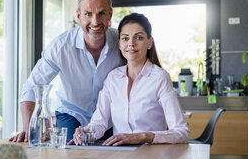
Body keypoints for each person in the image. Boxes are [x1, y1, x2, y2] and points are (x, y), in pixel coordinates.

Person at [10, 0, 123, 141]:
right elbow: (32, 87)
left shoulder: (122, 43)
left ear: (110, 14)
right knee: (70, 154)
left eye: (101, 13)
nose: (95, 21)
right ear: (78, 15)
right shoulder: (61, 46)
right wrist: (28, 129)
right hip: (72, 113)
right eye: (88, 14)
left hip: (109, 117)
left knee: (113, 158)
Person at [71, 13, 190, 146]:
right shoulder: (112, 78)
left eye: (138, 37)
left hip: (151, 155)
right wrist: (85, 131)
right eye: (125, 38)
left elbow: (182, 132)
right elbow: (98, 124)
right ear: (119, 44)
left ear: (149, 42)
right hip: (119, 155)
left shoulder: (159, 78)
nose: (131, 44)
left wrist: (144, 136)